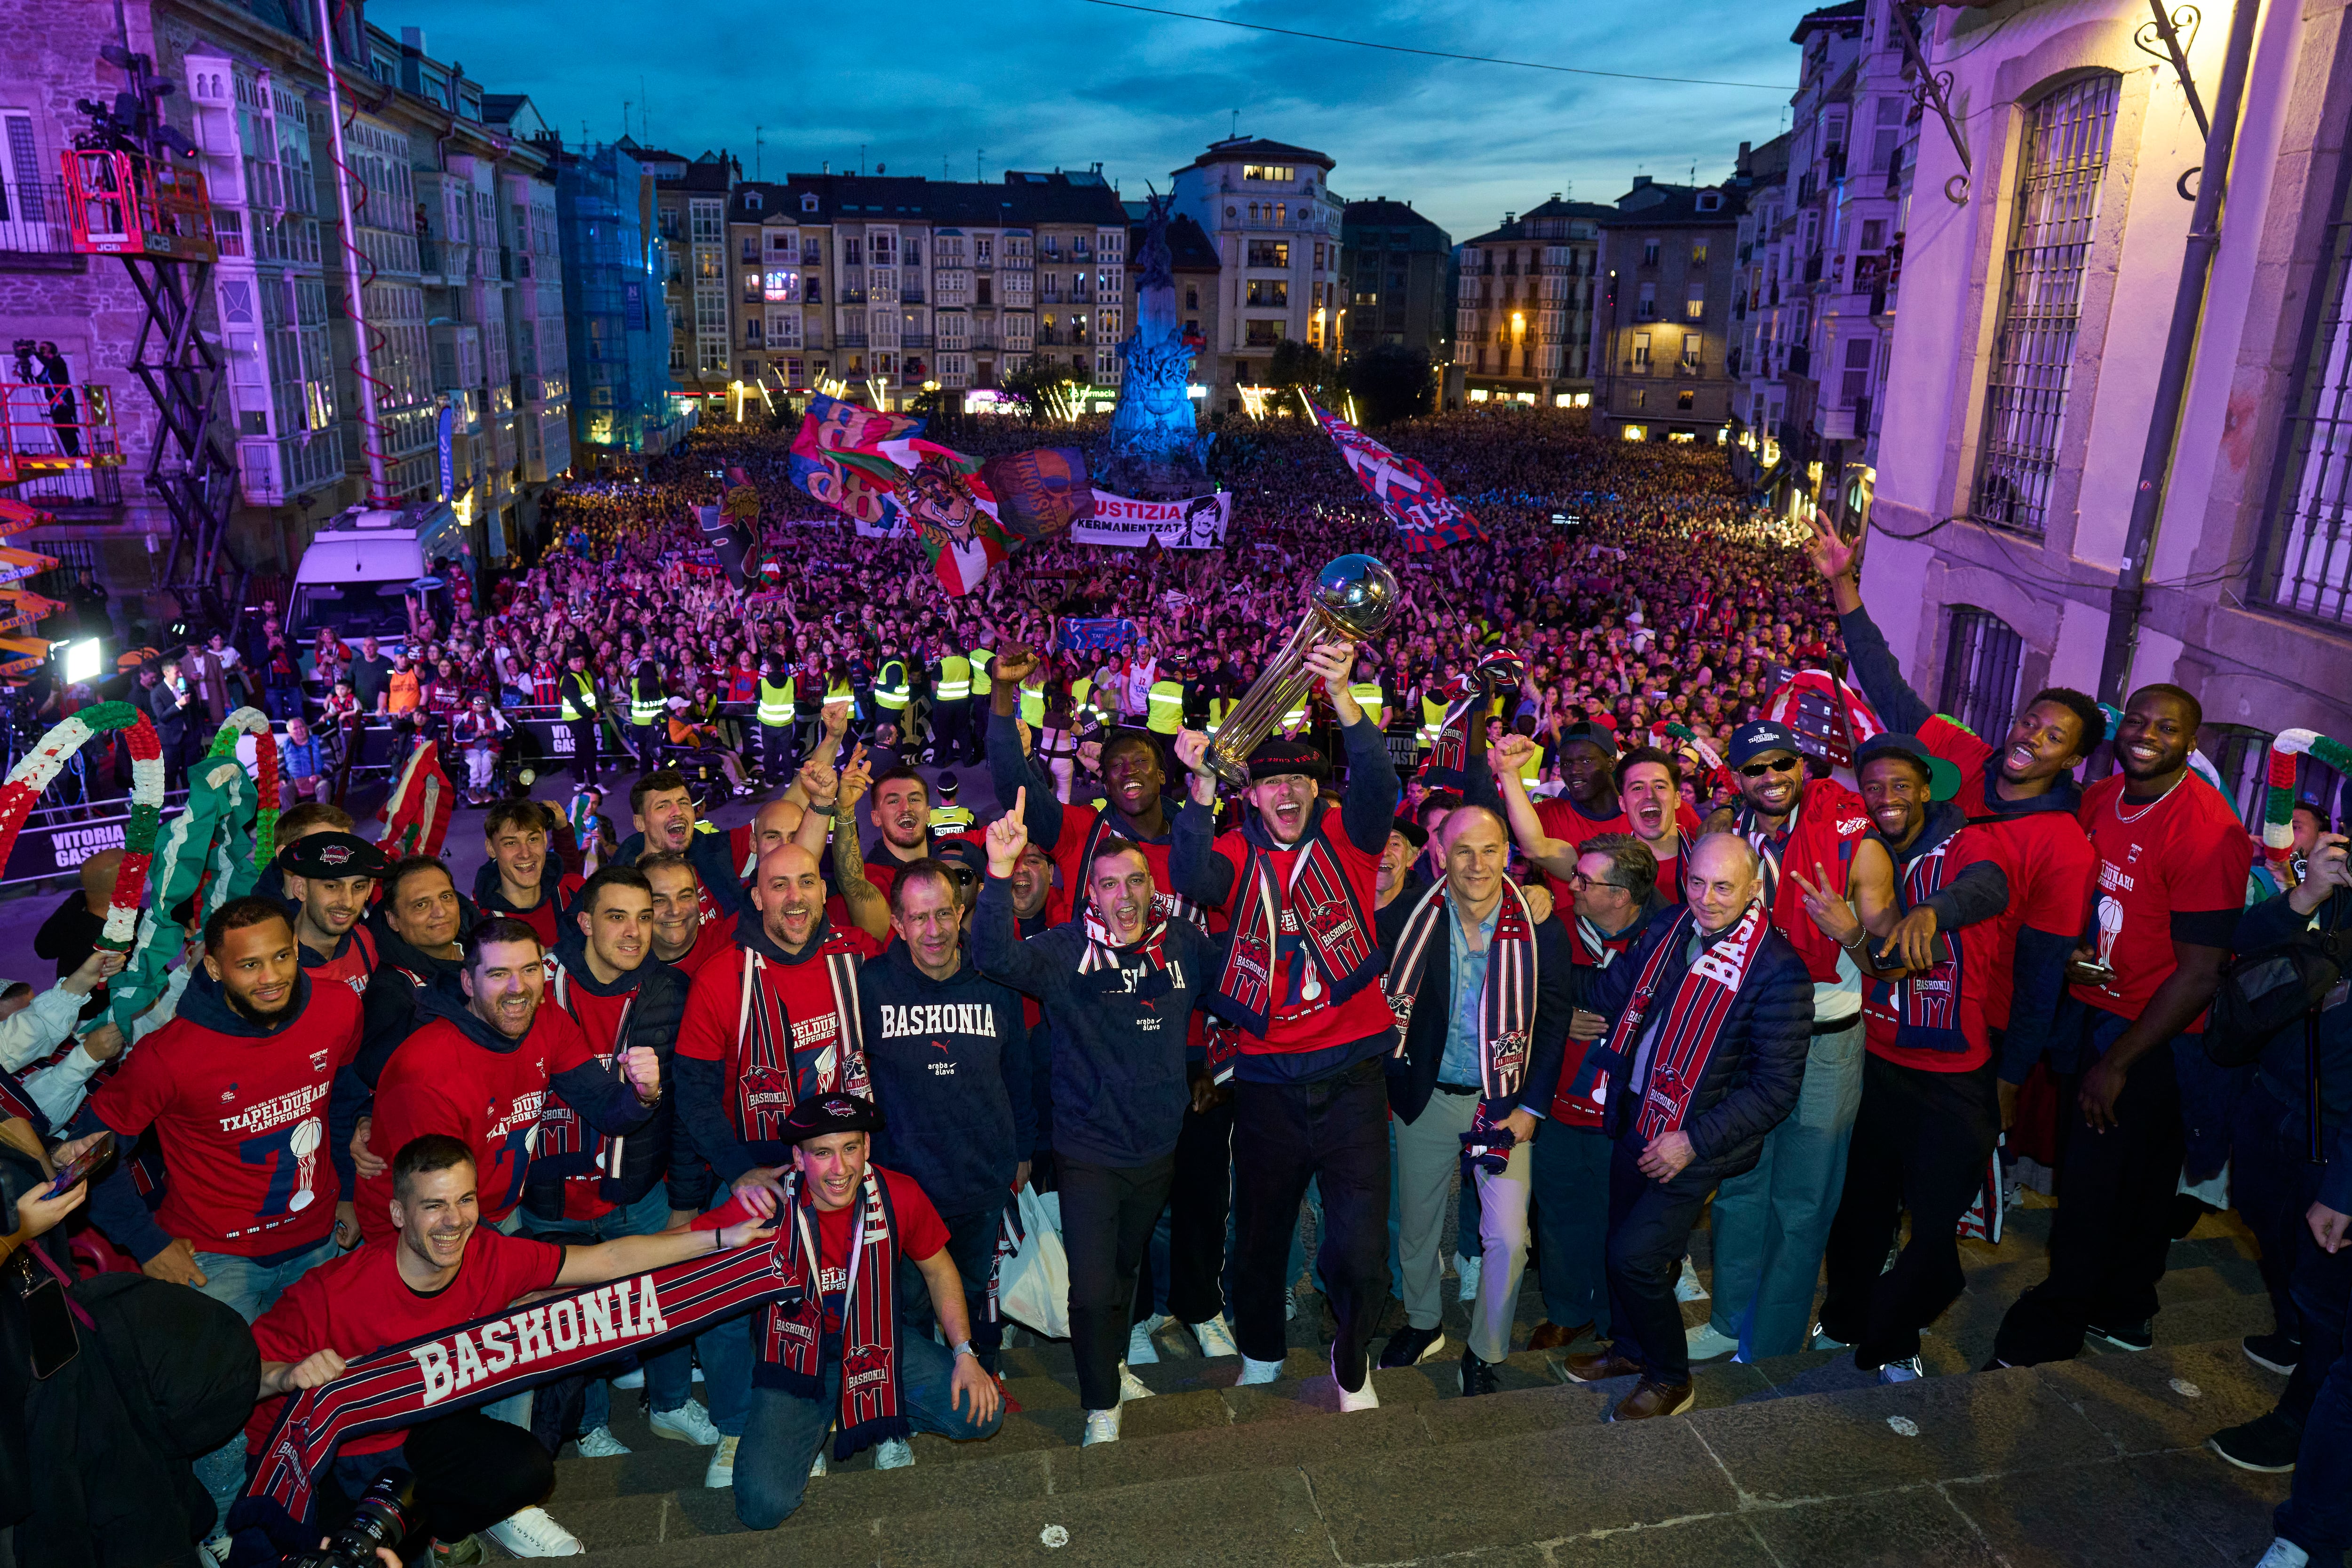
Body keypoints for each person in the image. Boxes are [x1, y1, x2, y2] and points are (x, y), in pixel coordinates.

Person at [244, 1133, 780, 1561]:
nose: (454, 1221)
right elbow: (241, 1376)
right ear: (399, 1214)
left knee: (526, 1468)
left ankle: (439, 1528)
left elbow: (611, 1261)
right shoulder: (332, 1292)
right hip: (330, 1459)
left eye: (465, 1199)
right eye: (433, 1206)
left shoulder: (489, 1253)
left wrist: (717, 1239)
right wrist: (289, 1374)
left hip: (416, 1435)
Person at [72, 895, 365, 1549]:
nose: (271, 976)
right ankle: (226, 1531)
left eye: (282, 955)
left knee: (328, 1378)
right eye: (249, 964)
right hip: (215, 1258)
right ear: (212, 966)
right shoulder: (168, 1055)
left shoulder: (338, 1005)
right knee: (217, 1407)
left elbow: (343, 1096)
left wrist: (342, 1190)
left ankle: (319, 1501)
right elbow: (87, 1150)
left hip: (317, 1238)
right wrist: (147, 1244)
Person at [1168, 638, 1399, 1410]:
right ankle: (1263, 1348)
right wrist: (1200, 787)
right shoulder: (1233, 851)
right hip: (1266, 1082)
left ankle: (1351, 1352)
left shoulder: (1351, 842)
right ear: (1253, 798)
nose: (1288, 791)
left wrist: (1342, 695)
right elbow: (1190, 875)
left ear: (1316, 790)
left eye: (1300, 777)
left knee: (1362, 1248)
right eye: (1272, 782)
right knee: (1259, 1238)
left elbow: (1377, 780)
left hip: (1353, 1079)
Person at [1992, 684, 2252, 1366]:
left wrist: (2119, 1063)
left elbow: (2200, 973)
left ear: (2191, 743)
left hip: (2155, 1040)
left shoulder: (2206, 828)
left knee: (2091, 1191)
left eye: (2167, 727)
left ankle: (2050, 1329)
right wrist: (2078, 947)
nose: (2146, 734)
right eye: (2136, 720)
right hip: (2097, 1013)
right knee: (2137, 1184)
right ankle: (2128, 1309)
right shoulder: (2103, 796)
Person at [973, 795, 1225, 1441]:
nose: (1124, 895)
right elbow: (995, 959)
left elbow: (1244, 979)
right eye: (1109, 883)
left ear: (1152, 886)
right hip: (1087, 1152)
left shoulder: (1184, 945)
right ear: (1091, 891)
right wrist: (998, 875)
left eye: (1136, 880)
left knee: (1122, 1272)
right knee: (1090, 1289)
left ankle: (1109, 1363)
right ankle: (1100, 1404)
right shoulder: (1064, 952)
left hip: (1157, 1151)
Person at [1561, 834, 1811, 1420]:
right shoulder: (1670, 926)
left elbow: (1774, 1090)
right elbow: (1609, 990)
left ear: (1754, 889)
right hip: (1636, 1115)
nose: (1706, 898)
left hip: (1696, 1143)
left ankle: (1671, 1378)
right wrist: (1535, 964)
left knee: (1635, 1259)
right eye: (1696, 882)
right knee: (1620, 1240)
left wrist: (1690, 1141)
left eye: (1723, 886)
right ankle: (1628, 1350)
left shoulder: (1777, 971)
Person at [1793, 733, 2012, 1382]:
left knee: (1936, 1227)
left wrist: (1933, 912)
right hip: (1877, 1061)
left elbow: (1990, 886)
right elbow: (1870, 956)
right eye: (1874, 786)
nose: (1886, 798)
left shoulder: (1967, 840)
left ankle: (1894, 1331)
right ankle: (1843, 1318)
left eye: (1899, 784)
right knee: (1860, 1210)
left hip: (1951, 1076)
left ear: (1925, 786)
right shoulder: (1863, 851)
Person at [672, 841, 887, 1487]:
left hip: (847, 1165)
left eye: (807, 882)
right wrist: (737, 1169)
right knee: (725, 1292)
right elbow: (693, 1089)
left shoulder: (857, 953)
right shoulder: (722, 975)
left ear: (825, 891)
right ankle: (739, 1426)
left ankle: (862, 1407)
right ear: (757, 895)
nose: (795, 897)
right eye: (778, 885)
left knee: (867, 1286)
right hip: (766, 1166)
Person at [1686, 718, 1871, 1364]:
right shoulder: (1723, 839)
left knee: (1803, 1202)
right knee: (1739, 1192)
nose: (1772, 778)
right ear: (1738, 778)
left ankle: (1772, 1341)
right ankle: (1731, 1321)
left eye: (1783, 764)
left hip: (1825, 1040)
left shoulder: (1853, 836)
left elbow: (1886, 960)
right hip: (1748, 1038)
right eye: (1757, 768)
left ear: (1803, 766)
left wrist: (1849, 932)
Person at [729, 1094, 1004, 1528]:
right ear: (798, 1159)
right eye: (823, 1153)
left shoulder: (900, 1192)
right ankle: (818, 1424)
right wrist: (734, 1180)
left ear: (867, 1148)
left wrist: (964, 1352)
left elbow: (940, 1272)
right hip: (797, 1358)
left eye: (851, 1148)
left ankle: (875, 1413)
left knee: (983, 1412)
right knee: (762, 1508)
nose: (841, 1169)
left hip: (876, 1343)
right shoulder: (767, 1205)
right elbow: (693, 1262)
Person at [1374, 804, 1573, 1394]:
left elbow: (1554, 1020)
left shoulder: (1540, 922)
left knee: (1508, 1237)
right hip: (1427, 1097)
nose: (1477, 863)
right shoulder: (1410, 917)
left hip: (1504, 1103)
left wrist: (1532, 1108)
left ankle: (1484, 1351)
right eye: (1463, 850)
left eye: (1489, 849)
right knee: (1416, 1226)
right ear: (1438, 854)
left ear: (1507, 854)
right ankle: (1422, 1321)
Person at [520, 866, 715, 1458]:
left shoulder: (668, 988)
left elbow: (682, 1106)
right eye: (616, 916)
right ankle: (589, 1421)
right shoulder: (537, 982)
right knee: (576, 1319)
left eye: (644, 917)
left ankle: (671, 1402)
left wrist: (684, 1198)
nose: (634, 932)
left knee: (668, 1297)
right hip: (550, 1193)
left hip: (639, 1186)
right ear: (584, 922)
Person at [352, 918, 661, 1243]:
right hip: (412, 1233)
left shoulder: (547, 1019)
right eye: (499, 974)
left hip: (496, 1213)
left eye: (530, 970)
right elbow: (441, 1208)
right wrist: (522, 1262)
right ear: (468, 983)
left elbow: (603, 1106)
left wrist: (643, 1095)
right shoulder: (427, 1069)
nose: (519, 988)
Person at [858, 857, 1031, 1415]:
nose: (932, 931)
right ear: (899, 925)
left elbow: (1020, 1072)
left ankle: (983, 1380)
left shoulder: (994, 981)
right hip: (903, 1185)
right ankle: (914, 1402)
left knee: (980, 1292)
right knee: (907, 1306)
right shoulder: (871, 986)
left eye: (942, 915)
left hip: (978, 1178)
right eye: (918, 918)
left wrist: (1023, 1149)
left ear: (961, 915)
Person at [1525, 833, 1668, 1352]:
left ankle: (1616, 1321)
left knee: (1622, 1225)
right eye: (1575, 876)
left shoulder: (1668, 936)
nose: (1573, 886)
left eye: (1586, 881)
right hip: (1559, 1104)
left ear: (1621, 897)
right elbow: (1515, 995)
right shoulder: (1554, 926)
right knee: (1561, 1213)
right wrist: (1558, 1018)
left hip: (1626, 1116)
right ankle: (1567, 1311)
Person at [276, 831, 387, 998]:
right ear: (300, 888)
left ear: (370, 890)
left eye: (358, 887)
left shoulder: (364, 941)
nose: (348, 902)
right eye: (332, 887)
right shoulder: (274, 962)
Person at [473, 800, 587, 949]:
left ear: (545, 840)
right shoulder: (479, 923)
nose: (525, 854)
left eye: (533, 839)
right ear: (491, 848)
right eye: (511, 843)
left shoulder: (575, 892)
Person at [559, 648, 603, 784]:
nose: (579, 664)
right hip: (577, 719)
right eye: (576, 661)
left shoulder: (586, 674)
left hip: (585, 718)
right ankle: (594, 783)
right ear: (569, 663)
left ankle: (579, 782)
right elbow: (577, 704)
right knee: (589, 751)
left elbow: (593, 695)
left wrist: (598, 711)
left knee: (581, 751)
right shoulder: (568, 679)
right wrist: (593, 714)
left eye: (582, 660)